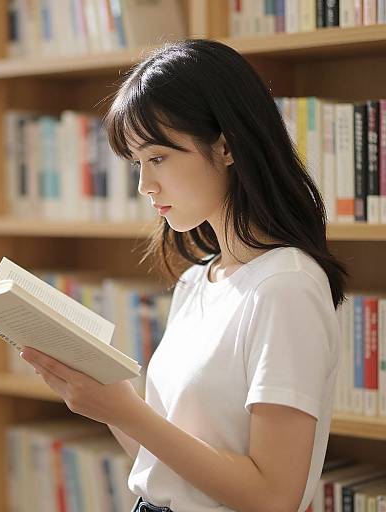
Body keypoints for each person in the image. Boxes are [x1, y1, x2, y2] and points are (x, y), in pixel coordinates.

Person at [20, 39, 348, 512]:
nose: (144, 185)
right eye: (137, 163)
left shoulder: (286, 286)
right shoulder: (199, 281)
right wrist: (103, 401)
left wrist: (127, 410)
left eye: (157, 158)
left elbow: (274, 497)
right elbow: (167, 464)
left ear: (227, 146)